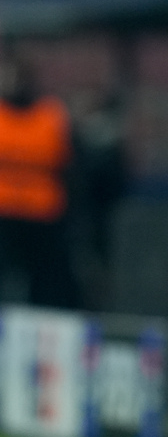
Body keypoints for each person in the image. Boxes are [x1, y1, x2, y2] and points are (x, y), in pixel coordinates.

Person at [0, 56, 79, 309]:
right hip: (5, 214)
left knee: (47, 284)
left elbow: (71, 166)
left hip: (43, 215)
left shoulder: (51, 115)